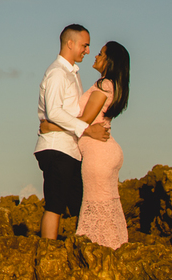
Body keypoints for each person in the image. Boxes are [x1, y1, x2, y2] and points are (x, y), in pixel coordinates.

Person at [40, 41, 131, 249]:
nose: (95, 56)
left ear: (110, 61)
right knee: (107, 207)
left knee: (96, 206)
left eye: (100, 53)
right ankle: (115, 251)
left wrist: (50, 126)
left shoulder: (103, 85)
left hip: (98, 153)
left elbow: (85, 121)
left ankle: (101, 252)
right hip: (106, 150)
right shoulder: (112, 85)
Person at [35, 24, 110, 240]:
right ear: (70, 43)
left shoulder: (72, 73)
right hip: (56, 147)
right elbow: (54, 111)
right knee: (55, 204)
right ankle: (48, 253)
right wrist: (88, 130)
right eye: (85, 45)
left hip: (70, 149)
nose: (88, 50)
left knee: (78, 203)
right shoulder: (58, 73)